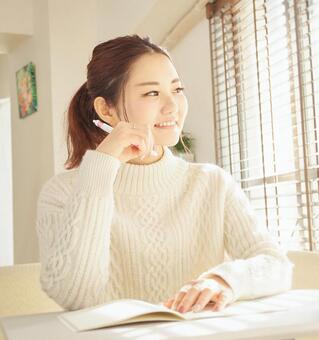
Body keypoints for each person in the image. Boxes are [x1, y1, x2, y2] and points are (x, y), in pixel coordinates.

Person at [36, 35, 294, 313]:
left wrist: (225, 281)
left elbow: (276, 265)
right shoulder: (62, 192)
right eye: (152, 93)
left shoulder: (211, 183)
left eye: (177, 89)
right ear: (105, 109)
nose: (172, 106)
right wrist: (101, 168)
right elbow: (75, 296)